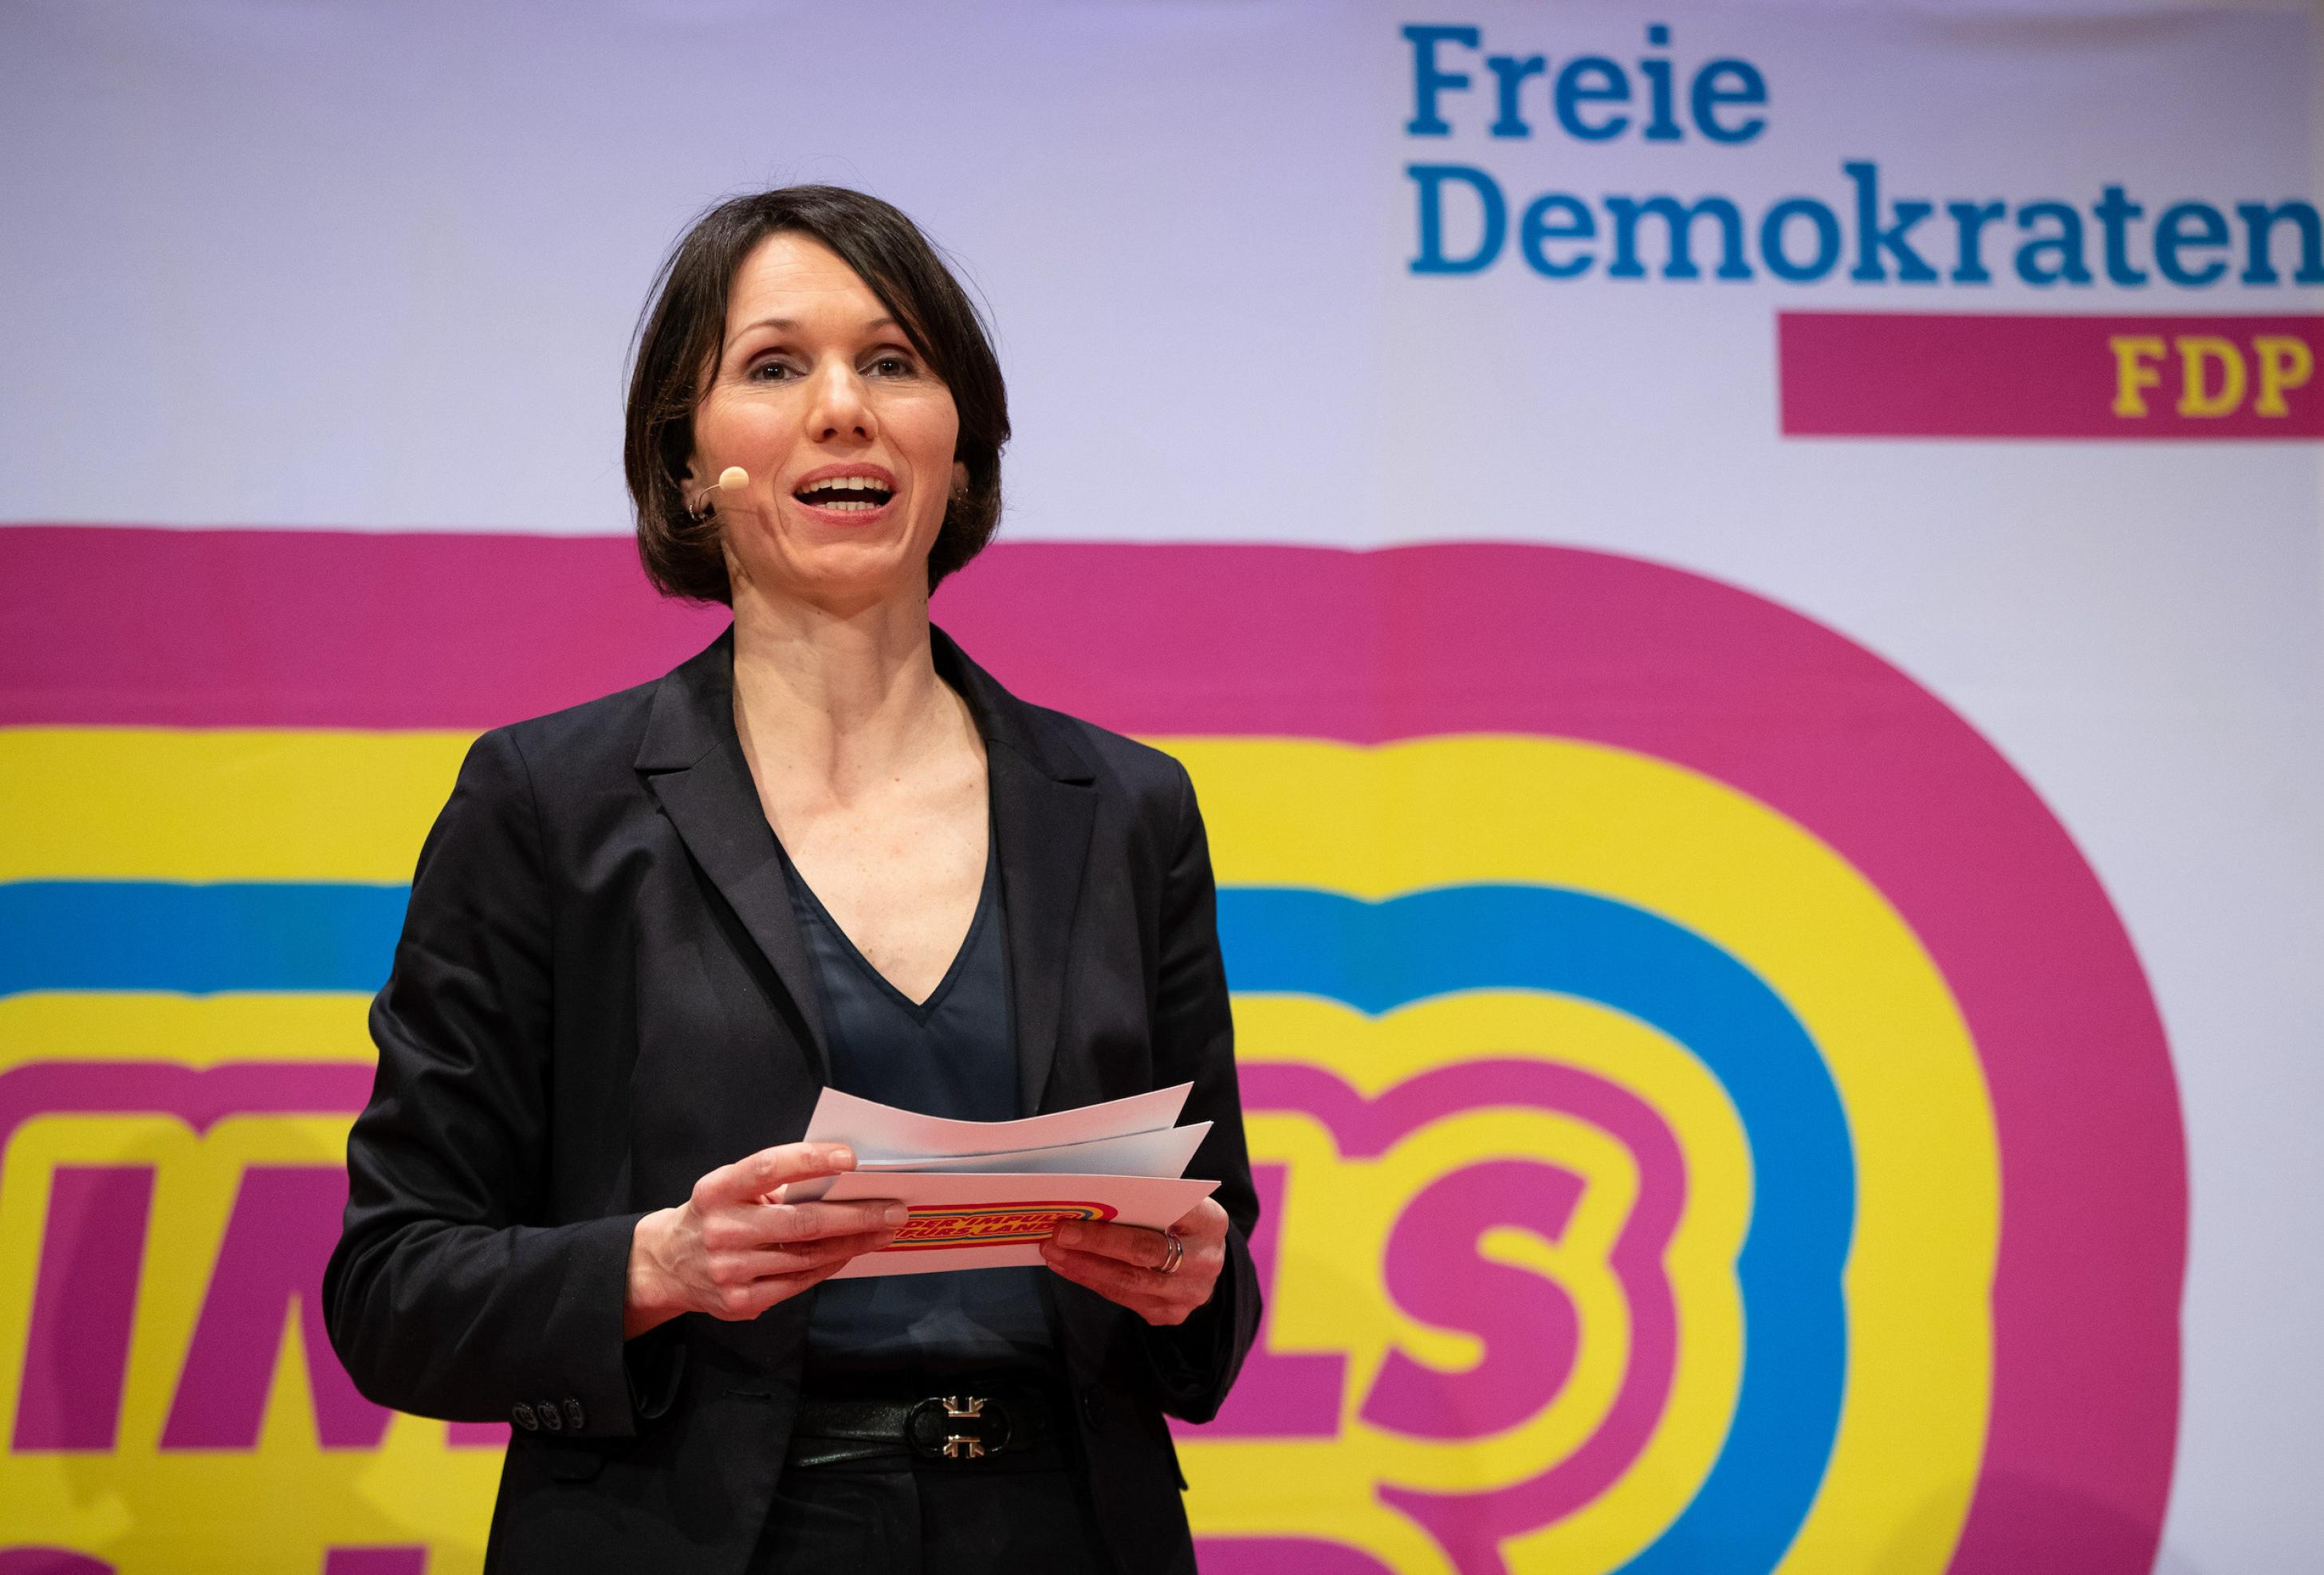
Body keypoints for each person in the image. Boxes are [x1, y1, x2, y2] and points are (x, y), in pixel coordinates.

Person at [323, 185, 1261, 1574]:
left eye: (893, 363)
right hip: (692, 1531)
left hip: (1066, 1522)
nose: (844, 409)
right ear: (691, 463)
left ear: (958, 447)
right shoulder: (549, 805)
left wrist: (1190, 1278)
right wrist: (660, 1265)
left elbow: (1217, 1263)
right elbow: (395, 1286)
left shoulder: (1124, 808)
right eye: (774, 367)